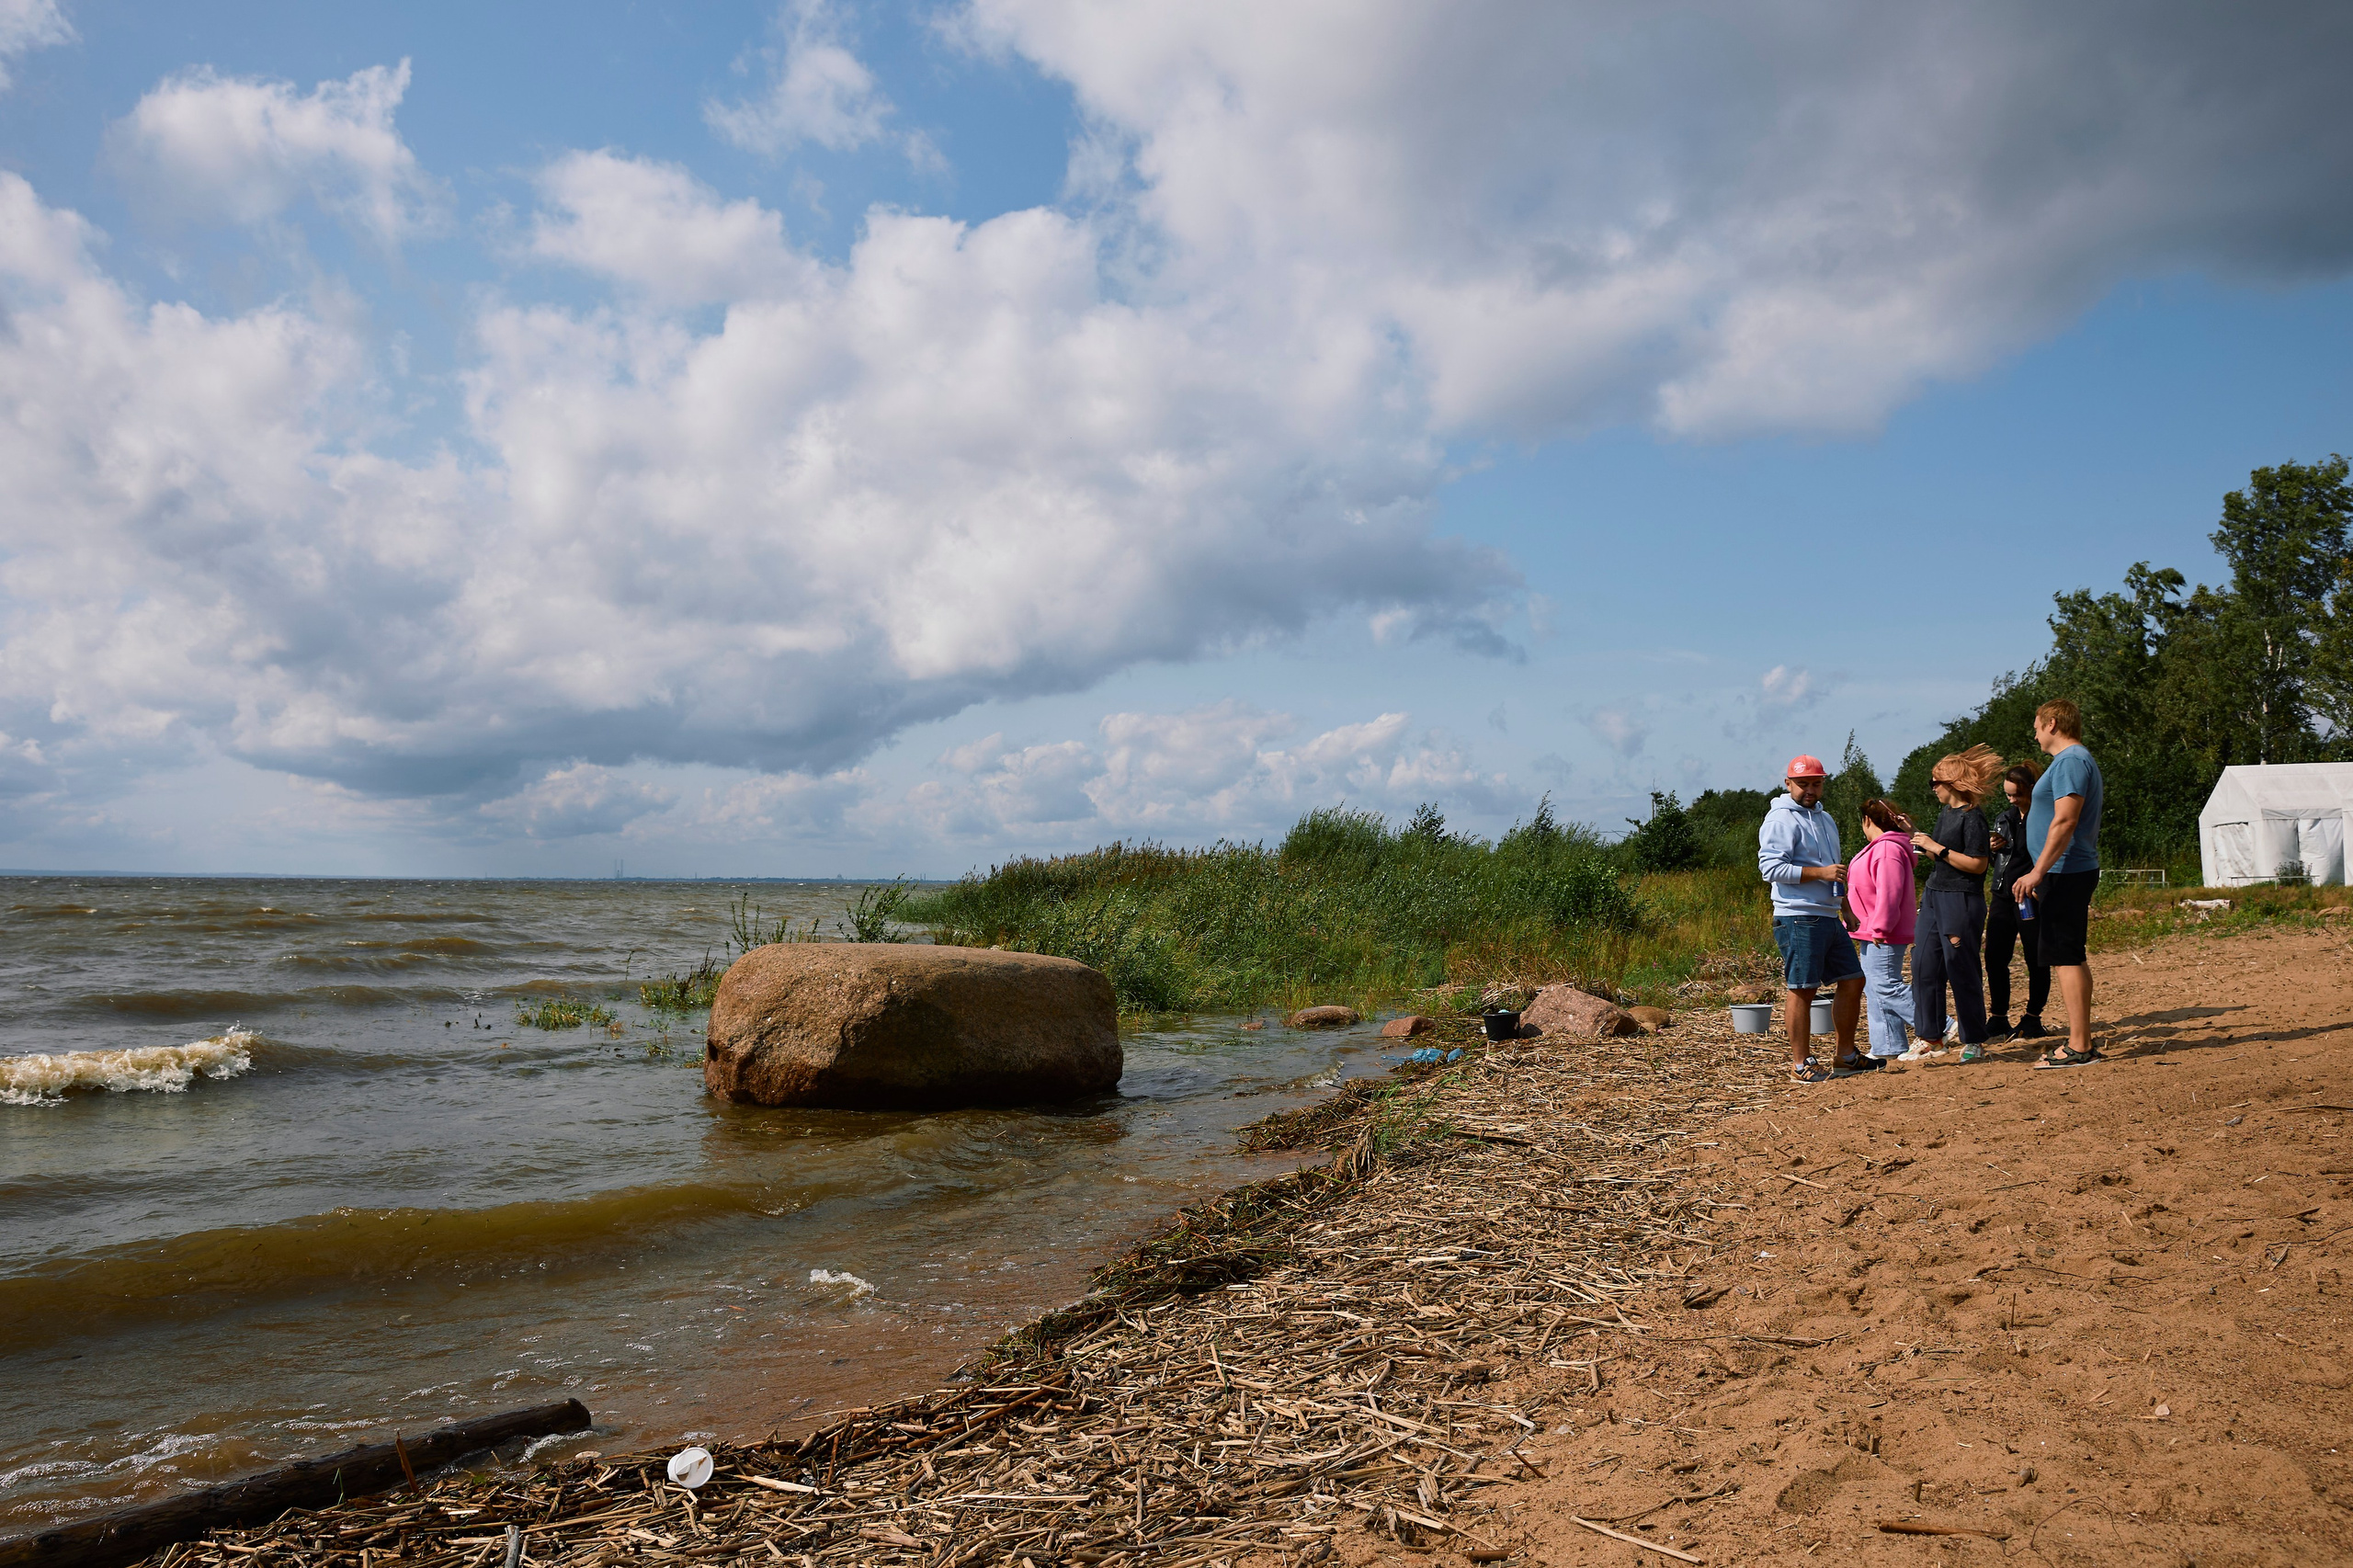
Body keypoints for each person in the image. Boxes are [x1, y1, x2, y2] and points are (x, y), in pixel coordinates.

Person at [1757, 754, 1866, 1082]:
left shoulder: (1825, 819)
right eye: (1802, 784)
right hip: (1797, 916)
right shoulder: (1780, 819)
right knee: (1803, 988)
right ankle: (1800, 1064)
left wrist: (1845, 907)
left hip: (1828, 914)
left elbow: (1835, 869)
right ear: (1788, 783)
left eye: (1816, 784)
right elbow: (1770, 869)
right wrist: (1820, 873)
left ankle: (1846, 1056)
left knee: (1853, 980)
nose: (1810, 790)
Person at [2012, 699, 2105, 1068]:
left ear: (2052, 723)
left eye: (2037, 726)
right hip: (2064, 871)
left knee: (2066, 956)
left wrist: (2038, 871)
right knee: (2070, 955)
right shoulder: (2072, 761)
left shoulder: (2070, 761)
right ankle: (2082, 1042)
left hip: (2065, 872)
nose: (2034, 734)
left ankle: (2079, 1047)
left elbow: (2065, 820)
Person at [1909, 744, 2001, 1062]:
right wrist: (1924, 844)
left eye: (1935, 782)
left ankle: (1974, 1040)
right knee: (1923, 965)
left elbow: (1977, 864)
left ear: (1952, 783)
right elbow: (1942, 856)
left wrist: (1937, 848)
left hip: (1960, 899)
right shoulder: (1946, 813)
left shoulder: (1973, 817)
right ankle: (1931, 1037)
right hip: (1934, 895)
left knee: (1961, 968)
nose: (1933, 788)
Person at [1844, 799, 1915, 1063]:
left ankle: (1940, 1025)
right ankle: (1887, 1045)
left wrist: (1881, 926)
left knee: (1886, 985)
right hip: (1871, 929)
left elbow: (1889, 891)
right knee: (1875, 988)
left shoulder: (1887, 849)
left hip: (1882, 931)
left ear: (1867, 820)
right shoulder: (1881, 847)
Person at [1984, 763, 2051, 1041]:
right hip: (2002, 895)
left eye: (2017, 795)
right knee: (1994, 958)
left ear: (2031, 789)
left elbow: (2052, 854)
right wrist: (1991, 849)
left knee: (2036, 958)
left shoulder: (2045, 816)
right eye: (2008, 795)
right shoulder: (2004, 818)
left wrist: (2040, 886)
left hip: (2029, 897)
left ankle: (2033, 1018)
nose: (2012, 800)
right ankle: (1999, 1017)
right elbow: (1997, 861)